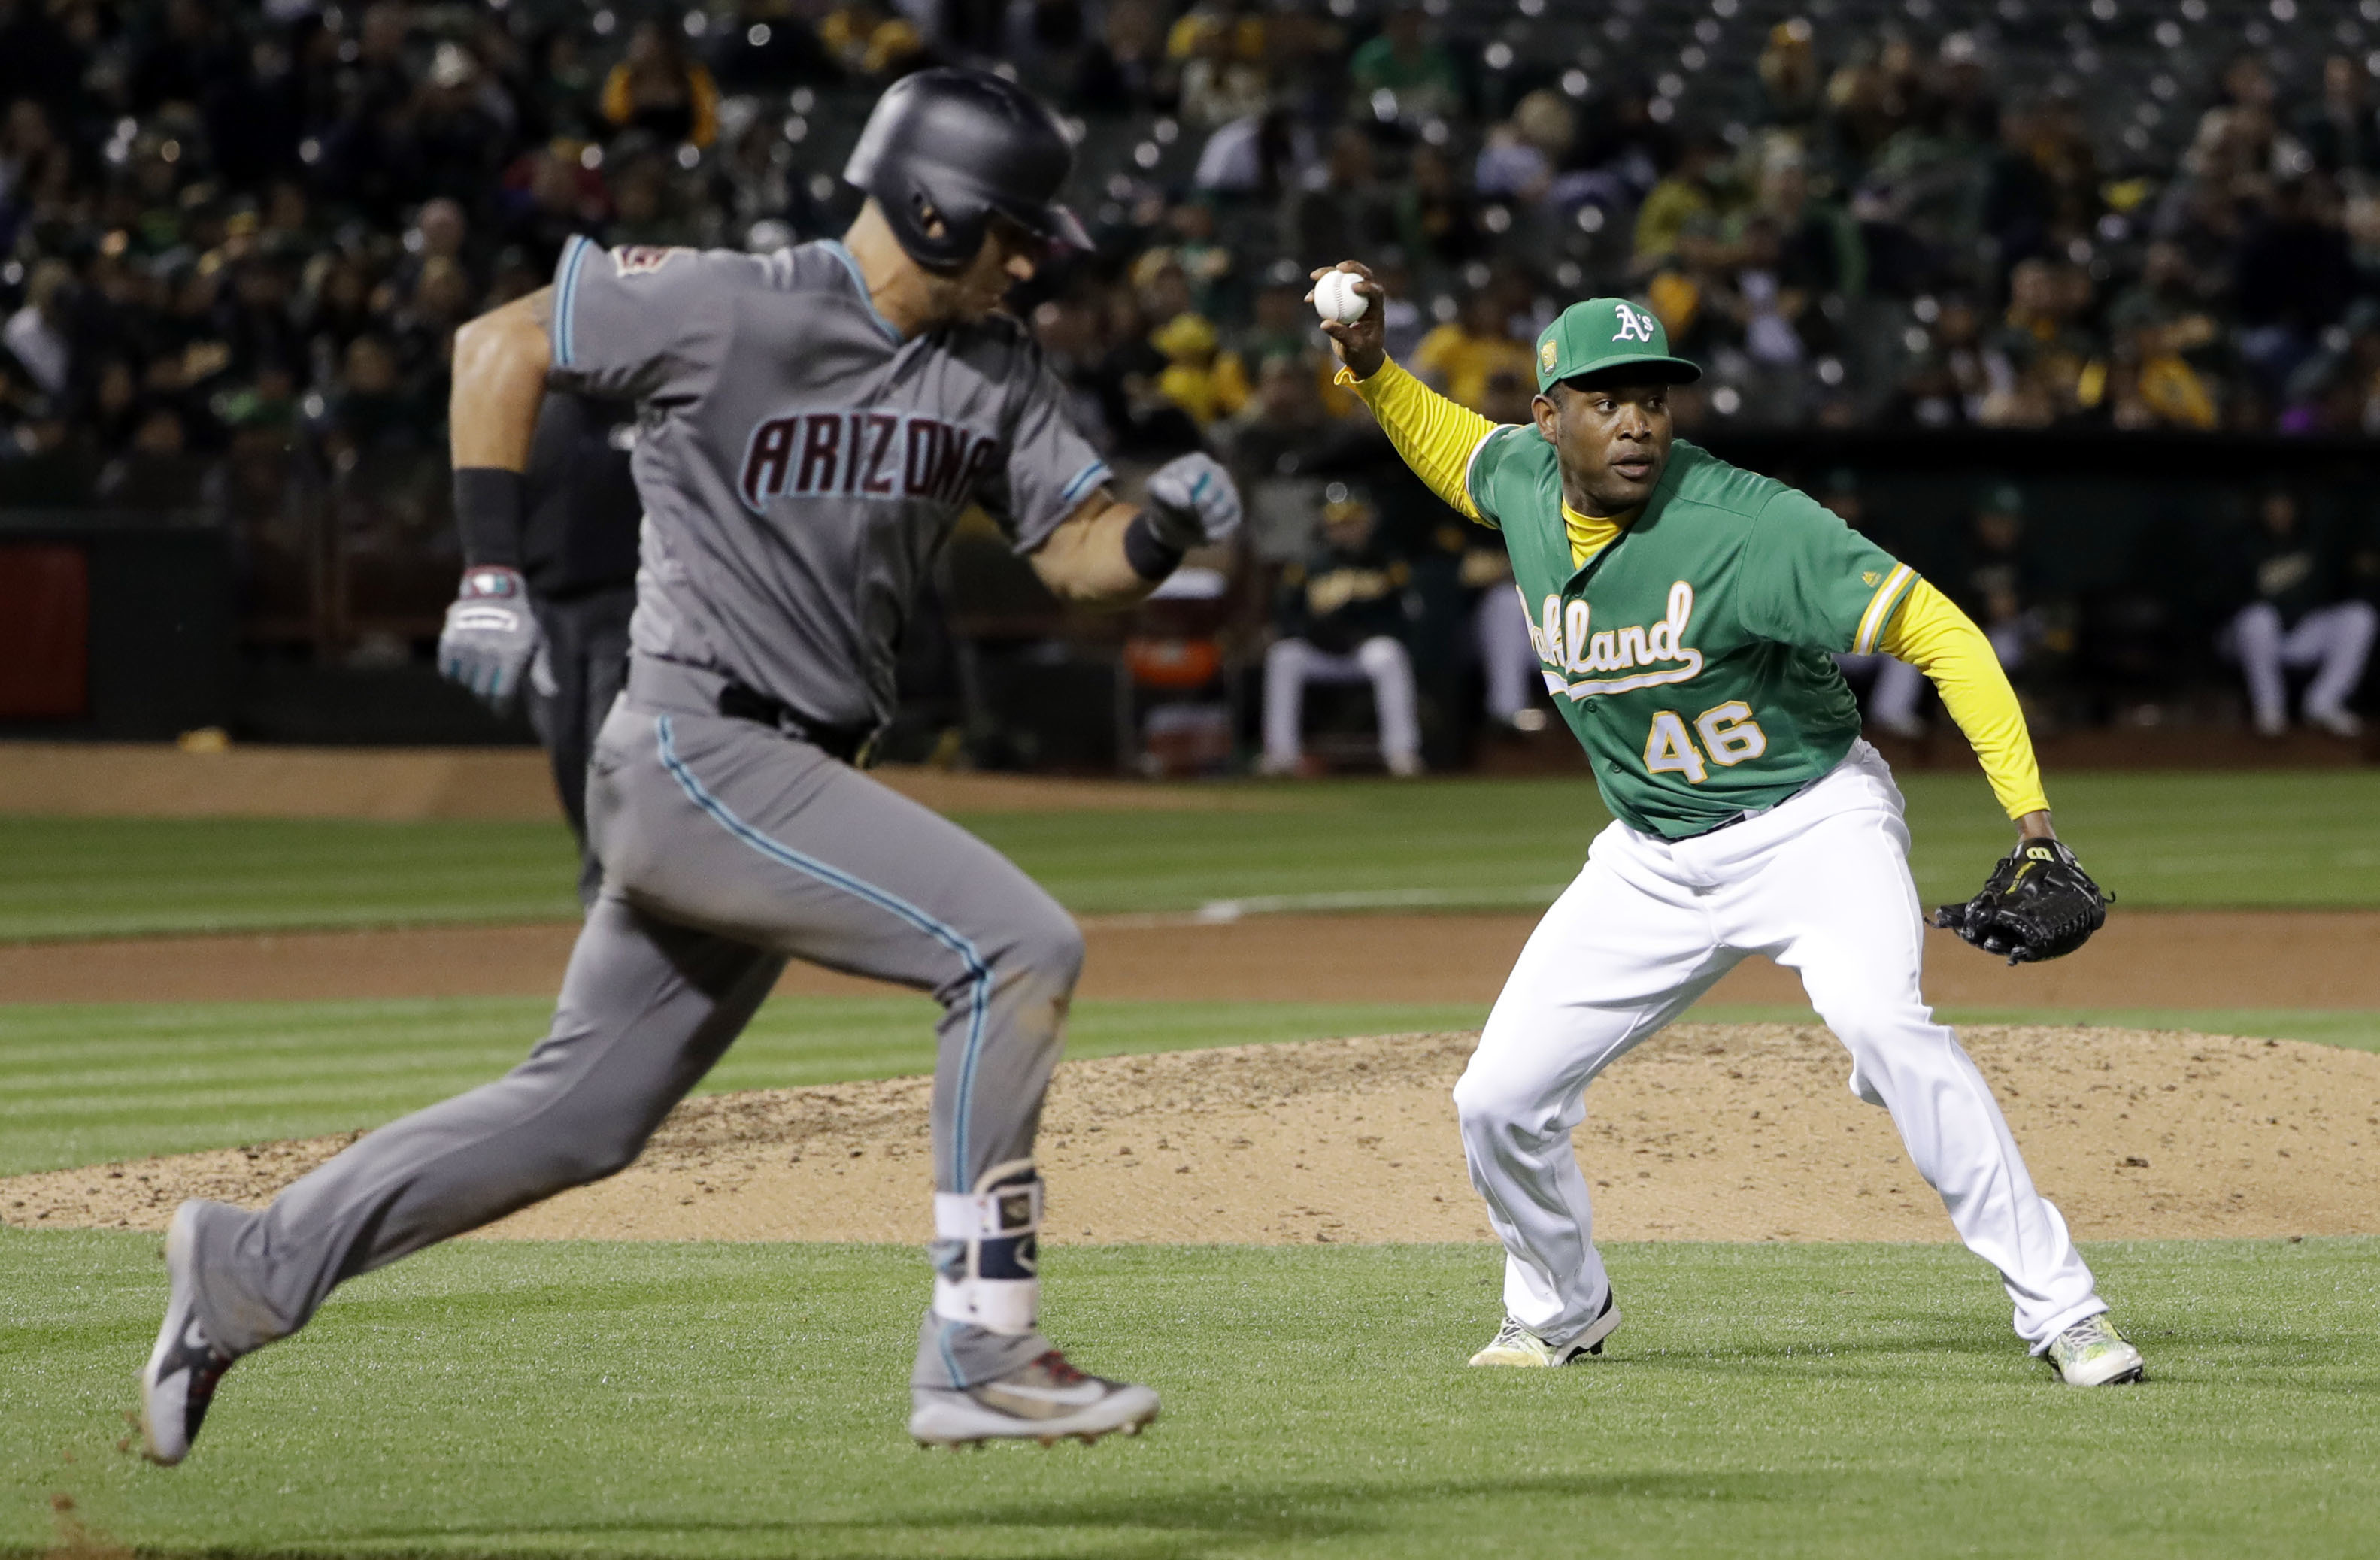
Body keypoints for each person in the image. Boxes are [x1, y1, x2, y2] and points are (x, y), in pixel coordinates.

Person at [138, 68, 1242, 1465]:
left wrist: (1156, 536)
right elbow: (498, 345)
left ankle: (247, 1267)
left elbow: (1077, 552)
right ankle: (981, 1342)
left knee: (581, 1116)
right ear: (936, 212)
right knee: (1015, 948)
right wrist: (489, 570)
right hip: (697, 745)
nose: (1036, 260)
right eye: (1018, 232)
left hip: (781, 773)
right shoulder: (736, 299)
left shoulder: (995, 368)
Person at [1312, 260, 2145, 1388]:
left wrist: (2033, 825)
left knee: (1885, 1024)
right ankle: (1563, 1305)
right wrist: (1368, 369)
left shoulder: (1749, 525)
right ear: (1548, 417)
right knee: (1497, 1099)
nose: (1637, 421)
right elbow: (1439, 434)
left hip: (1811, 825)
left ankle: (2066, 1310)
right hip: (1650, 863)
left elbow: (1943, 633)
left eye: (1653, 396)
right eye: (1606, 399)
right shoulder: (1516, 479)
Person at [435, 389, 643, 906]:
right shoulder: (535, 414)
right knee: (567, 744)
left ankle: (616, 884)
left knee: (610, 744)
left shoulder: (649, 407)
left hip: (634, 603)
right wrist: (501, 588)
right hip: (551, 607)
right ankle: (599, 870)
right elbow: (489, 500)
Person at [1262, 480, 1423, 776]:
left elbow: (1406, 618)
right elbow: (1286, 616)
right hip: (1320, 651)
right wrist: (1317, 625)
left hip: (1365, 651)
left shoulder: (1386, 560)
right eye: (1338, 523)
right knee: (1284, 657)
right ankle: (1281, 755)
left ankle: (1402, 753)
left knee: (1389, 656)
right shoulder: (1309, 564)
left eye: (1353, 521)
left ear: (1368, 520)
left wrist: (1362, 615)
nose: (1346, 530)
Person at [2227, 489, 2375, 738]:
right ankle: (2269, 709)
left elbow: (2348, 577)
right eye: (2273, 508)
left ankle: (2324, 702)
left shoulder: (2315, 543)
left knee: (2360, 616)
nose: (2280, 514)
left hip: (2302, 633)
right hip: (2247, 638)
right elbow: (2224, 599)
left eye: (2285, 507)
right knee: (2257, 618)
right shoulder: (2243, 546)